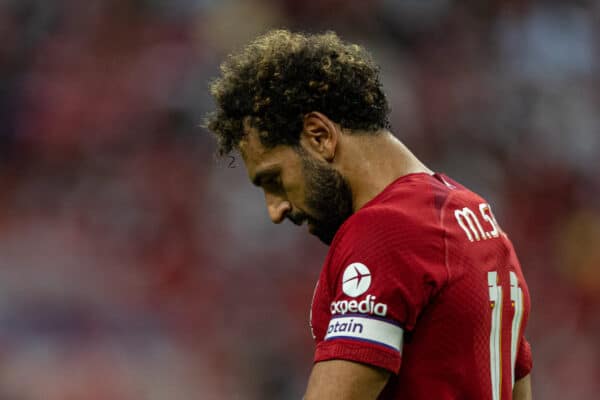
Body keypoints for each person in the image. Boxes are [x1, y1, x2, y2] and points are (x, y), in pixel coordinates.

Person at [206, 29, 532, 400]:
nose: (276, 209)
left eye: (274, 179)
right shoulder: (476, 217)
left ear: (319, 136)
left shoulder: (386, 229)